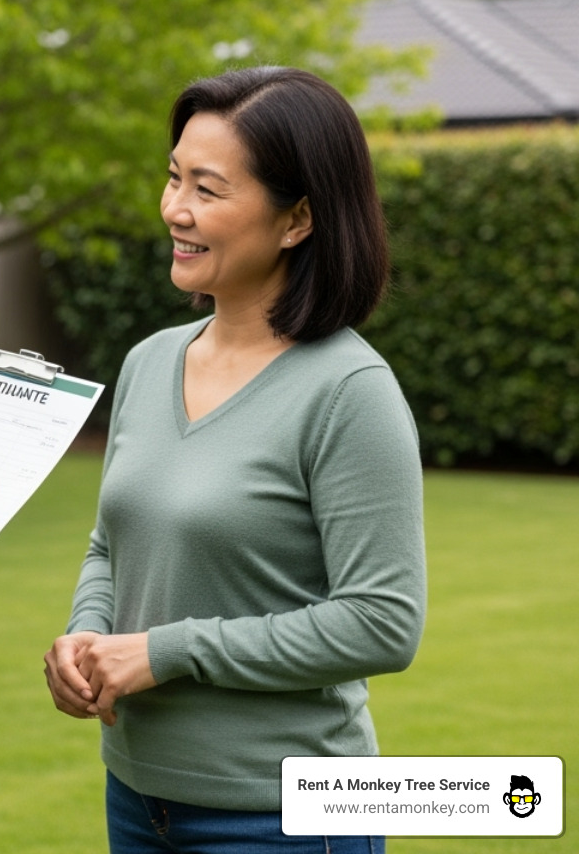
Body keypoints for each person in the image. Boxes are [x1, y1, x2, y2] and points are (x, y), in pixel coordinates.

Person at [43, 66, 426, 853]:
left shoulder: (350, 391)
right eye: (173, 177)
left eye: (208, 190)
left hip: (282, 817)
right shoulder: (151, 362)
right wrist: (88, 638)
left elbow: (384, 623)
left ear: (297, 220)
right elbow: (114, 540)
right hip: (138, 796)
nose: (175, 210)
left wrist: (167, 651)